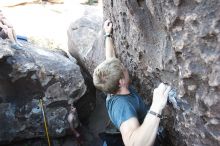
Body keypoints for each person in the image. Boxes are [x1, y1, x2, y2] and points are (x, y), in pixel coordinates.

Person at [93, 19, 171, 146]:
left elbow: (110, 58)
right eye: (124, 69)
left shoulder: (110, 84)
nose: (125, 68)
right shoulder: (123, 107)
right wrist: (157, 106)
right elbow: (133, 143)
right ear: (121, 82)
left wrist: (108, 35)